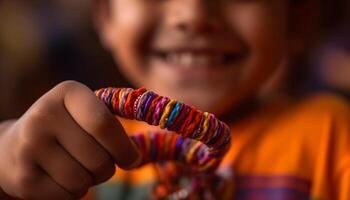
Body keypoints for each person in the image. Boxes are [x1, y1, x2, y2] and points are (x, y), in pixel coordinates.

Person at [0, 0, 349, 199]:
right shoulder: (79, 153)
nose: (193, 15)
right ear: (106, 15)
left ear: (298, 19)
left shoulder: (332, 138)